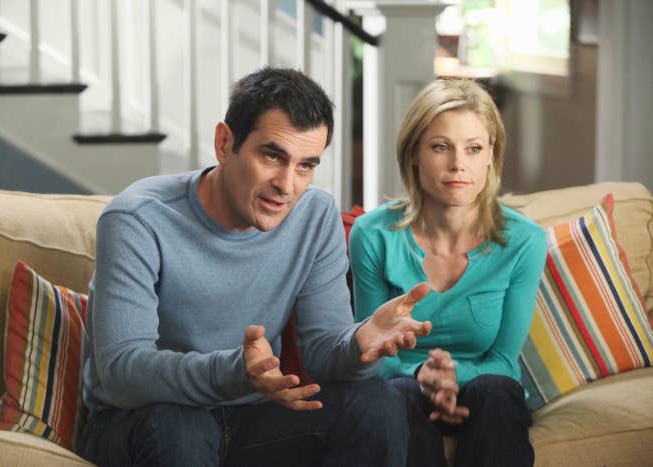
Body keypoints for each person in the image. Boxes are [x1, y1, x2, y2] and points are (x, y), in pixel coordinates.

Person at [77, 67, 434, 467]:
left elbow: (321, 351)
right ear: (224, 142)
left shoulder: (313, 216)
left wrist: (359, 345)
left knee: (375, 404)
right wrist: (237, 371)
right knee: (178, 426)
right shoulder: (139, 218)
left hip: (253, 417)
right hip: (141, 420)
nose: (287, 185)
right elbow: (123, 372)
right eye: (272, 156)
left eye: (305, 166)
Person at [349, 78, 547, 467]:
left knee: (498, 389)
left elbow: (505, 360)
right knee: (394, 395)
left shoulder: (524, 241)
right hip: (402, 388)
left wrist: (453, 377)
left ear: (491, 154)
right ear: (413, 154)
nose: (459, 164)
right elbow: (370, 351)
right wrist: (423, 373)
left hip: (485, 391)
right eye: (441, 147)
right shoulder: (372, 235)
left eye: (474, 149)